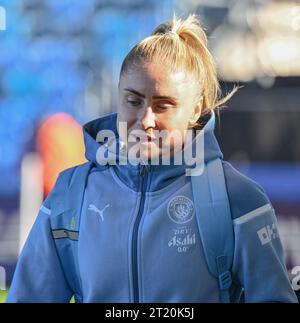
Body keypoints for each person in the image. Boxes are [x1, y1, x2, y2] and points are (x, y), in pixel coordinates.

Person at [7, 13, 297, 303]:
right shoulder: (71, 193)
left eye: (163, 105)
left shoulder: (239, 199)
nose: (145, 119)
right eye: (133, 101)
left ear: (196, 109)